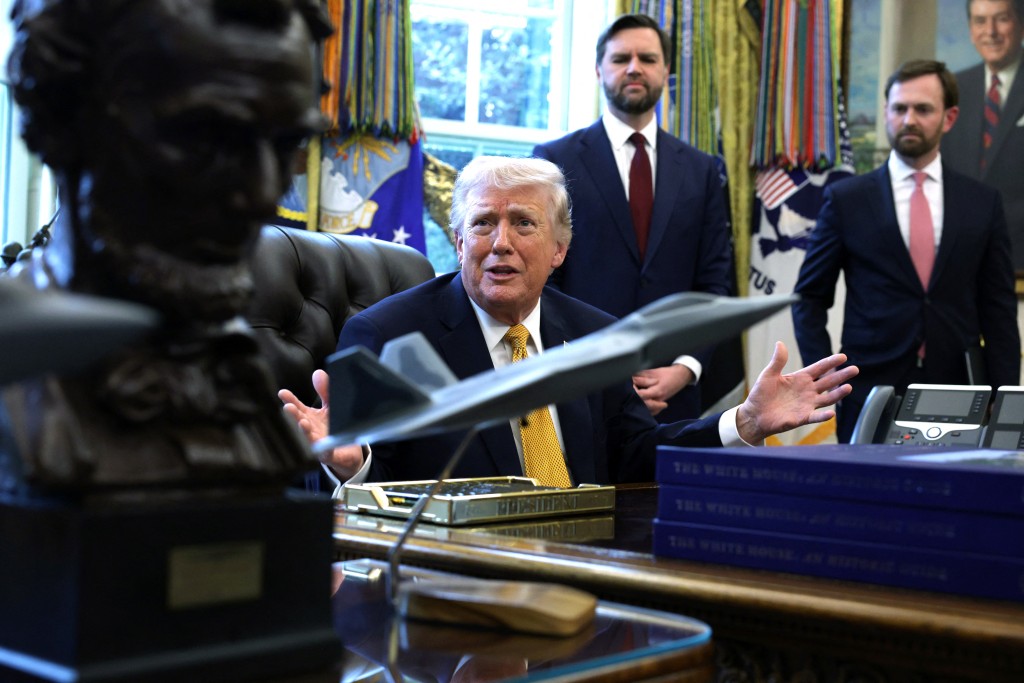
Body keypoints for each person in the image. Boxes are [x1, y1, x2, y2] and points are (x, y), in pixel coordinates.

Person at [280, 156, 857, 492]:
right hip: (456, 579)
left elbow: (636, 455)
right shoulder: (387, 337)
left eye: (523, 224)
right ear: (458, 242)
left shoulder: (597, 337)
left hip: (588, 574)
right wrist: (350, 468)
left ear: (559, 249)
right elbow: (372, 481)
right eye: (482, 224)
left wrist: (745, 422)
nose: (500, 243)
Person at [2, 0, 332, 490]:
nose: (263, 197)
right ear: (62, 125)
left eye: (286, 147)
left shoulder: (245, 382)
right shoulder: (14, 389)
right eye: (204, 142)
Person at [792, 59, 1020, 443]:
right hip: (870, 389)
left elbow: (998, 307)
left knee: (956, 498)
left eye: (923, 109)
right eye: (899, 108)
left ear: (949, 118)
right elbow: (808, 299)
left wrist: (1005, 394)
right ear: (886, 113)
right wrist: (824, 378)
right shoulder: (848, 200)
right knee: (867, 498)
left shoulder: (982, 202)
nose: (909, 119)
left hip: (961, 388)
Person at [532, 13, 733, 423]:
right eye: (621, 58)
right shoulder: (554, 160)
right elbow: (542, 280)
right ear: (599, 69)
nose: (634, 67)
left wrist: (685, 368)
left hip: (674, 398)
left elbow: (715, 285)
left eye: (648, 58)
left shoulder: (702, 170)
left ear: (666, 71)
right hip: (580, 392)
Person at [942, 0, 1024, 269]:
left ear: (1021, 24)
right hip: (961, 258)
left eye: (1001, 19)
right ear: (970, 29)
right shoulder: (953, 88)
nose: (990, 31)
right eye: (980, 21)